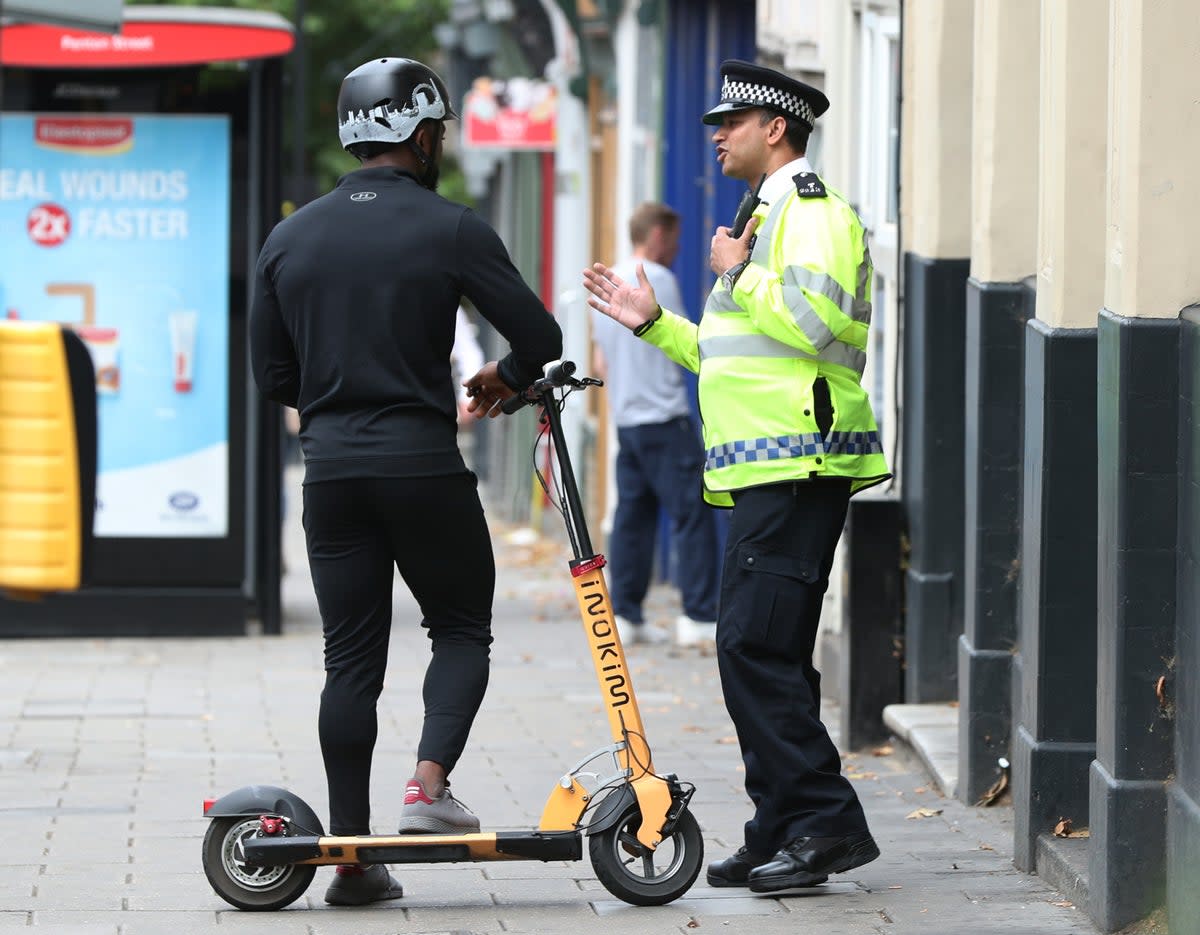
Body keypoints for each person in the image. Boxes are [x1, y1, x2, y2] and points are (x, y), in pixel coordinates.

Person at [249, 57, 562, 907]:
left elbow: (272, 372)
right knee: (461, 624)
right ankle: (427, 788)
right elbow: (541, 333)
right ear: (421, 133)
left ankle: (353, 859)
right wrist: (503, 375)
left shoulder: (290, 238)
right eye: (440, 131)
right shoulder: (451, 227)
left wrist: (331, 403)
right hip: (423, 463)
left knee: (349, 658)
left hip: (334, 471)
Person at [582, 59, 890, 894]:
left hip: (801, 460)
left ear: (776, 129)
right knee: (768, 650)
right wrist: (656, 327)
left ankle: (824, 823)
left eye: (732, 122)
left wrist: (735, 273)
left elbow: (817, 322)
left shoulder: (813, 210)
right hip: (771, 468)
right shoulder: (762, 215)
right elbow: (732, 351)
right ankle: (783, 822)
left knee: (752, 645)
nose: (716, 134)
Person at [590, 202, 718, 647]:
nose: (679, 248)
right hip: (665, 416)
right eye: (675, 238)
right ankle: (699, 617)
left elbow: (599, 359)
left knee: (633, 517)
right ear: (658, 235)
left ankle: (625, 614)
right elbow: (683, 339)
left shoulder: (608, 283)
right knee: (693, 515)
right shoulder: (656, 279)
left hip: (627, 418)